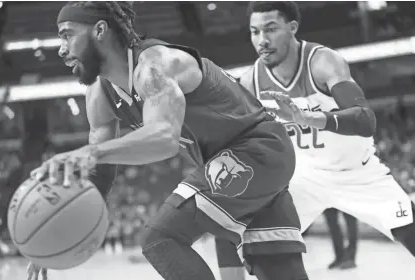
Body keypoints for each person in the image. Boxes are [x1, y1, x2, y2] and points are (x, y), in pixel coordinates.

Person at [26, 2, 308, 280]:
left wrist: (89, 152)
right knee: (281, 272)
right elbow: (100, 175)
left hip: (256, 149)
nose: (62, 50)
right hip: (242, 164)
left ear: (99, 30)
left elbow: (164, 139)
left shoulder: (154, 66)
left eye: (67, 35)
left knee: (160, 237)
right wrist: (55, 238)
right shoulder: (99, 94)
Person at [215, 2, 415, 280]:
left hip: (358, 174)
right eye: (254, 31)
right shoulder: (251, 82)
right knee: (250, 241)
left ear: (292, 28)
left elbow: (365, 121)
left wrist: (311, 119)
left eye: (271, 29)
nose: (262, 40)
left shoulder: (322, 62)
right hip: (302, 178)